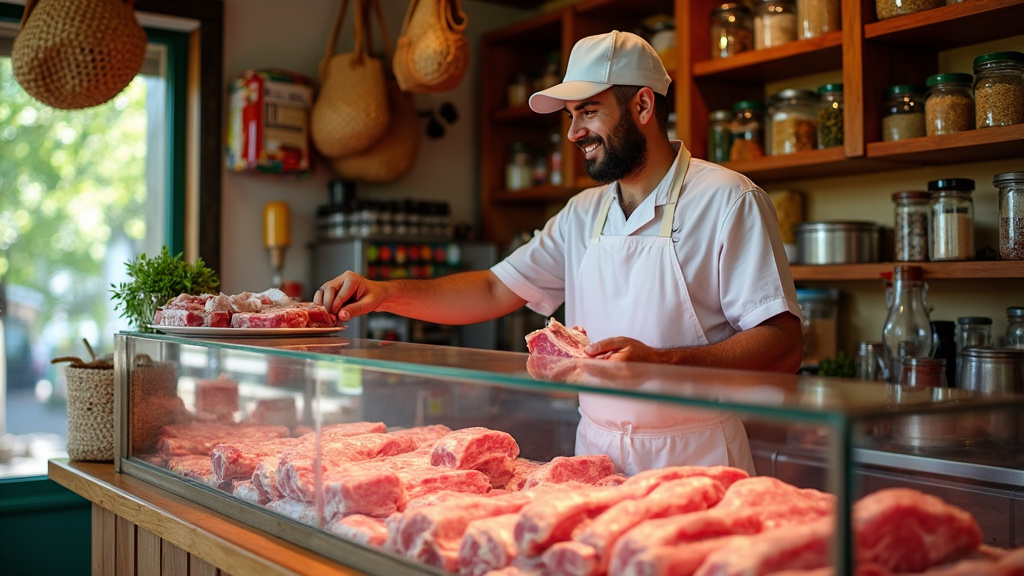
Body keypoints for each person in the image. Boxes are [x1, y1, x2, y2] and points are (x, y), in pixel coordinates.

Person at [315, 30, 803, 476]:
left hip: (698, 461)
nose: (573, 133)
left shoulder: (727, 199)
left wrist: (665, 362)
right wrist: (383, 293)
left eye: (589, 111)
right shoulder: (582, 213)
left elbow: (783, 343)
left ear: (643, 106)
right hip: (594, 457)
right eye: (571, 117)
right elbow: (491, 287)